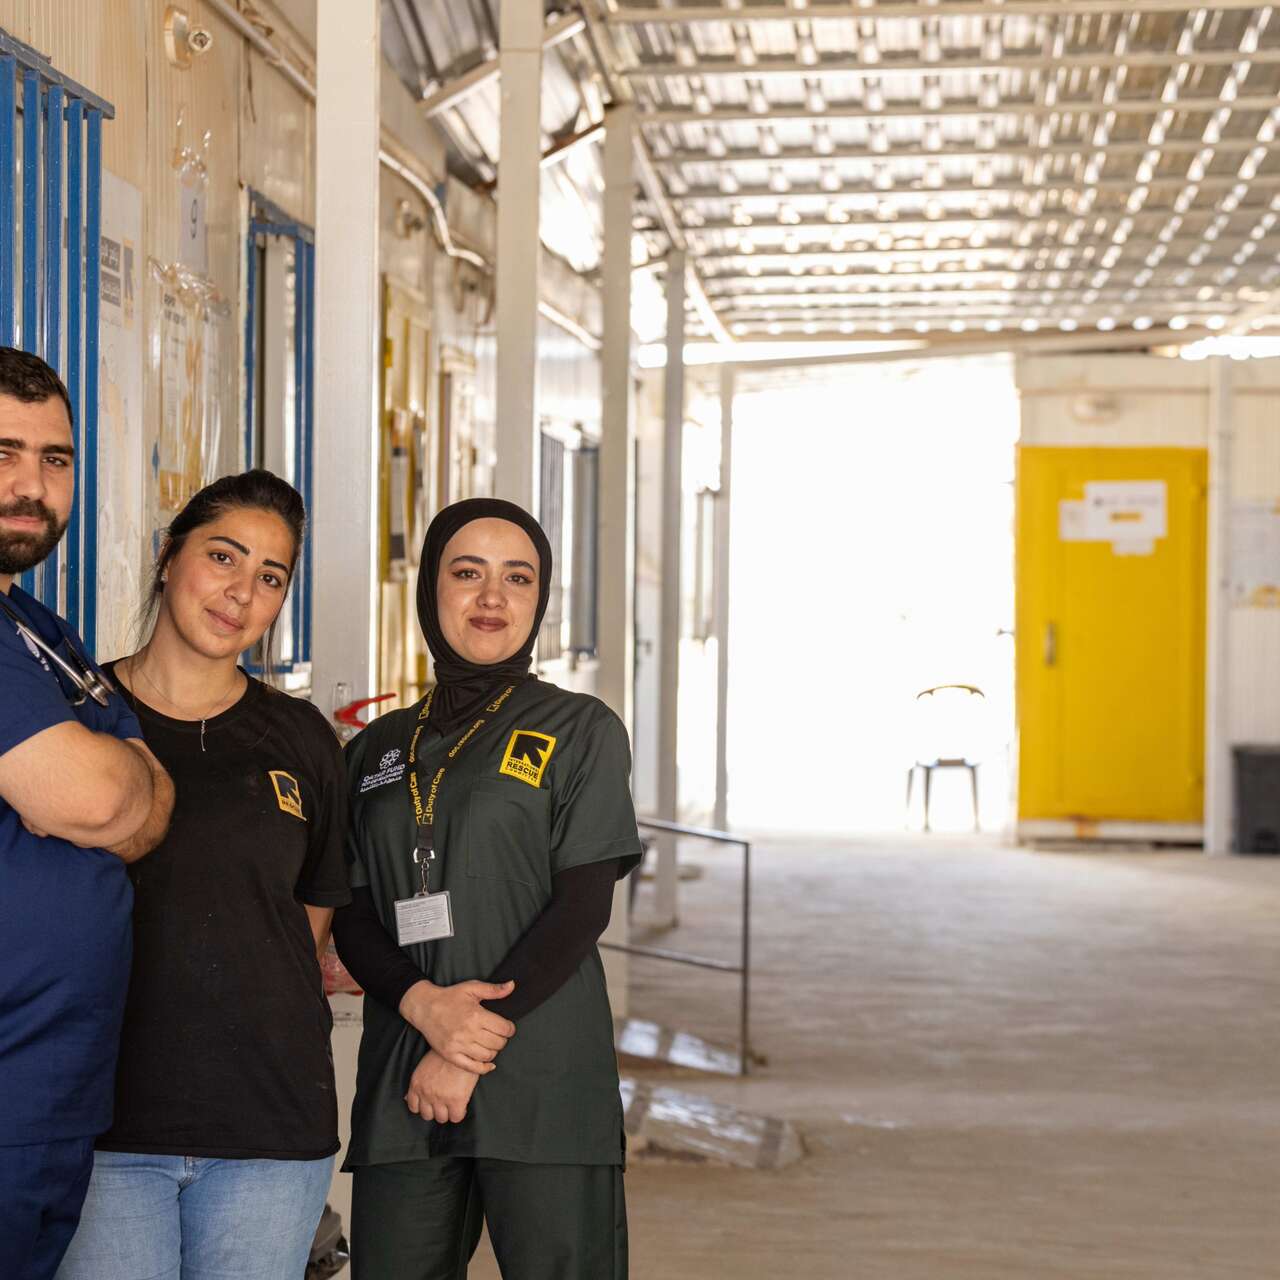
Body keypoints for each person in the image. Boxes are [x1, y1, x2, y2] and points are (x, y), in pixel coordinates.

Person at [333, 497, 642, 1280]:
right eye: (468, 573)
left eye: (518, 577)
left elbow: (582, 908)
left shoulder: (581, 730)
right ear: (429, 588)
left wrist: (468, 1045)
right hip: (406, 1070)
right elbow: (354, 911)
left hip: (542, 1080)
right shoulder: (376, 747)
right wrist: (425, 1008)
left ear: (540, 598)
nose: (493, 597)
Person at [56, 471, 351, 1280]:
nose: (242, 592)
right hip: (102, 1126)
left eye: (270, 577)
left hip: (268, 1127)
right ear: (167, 556)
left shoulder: (302, 739)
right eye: (223, 556)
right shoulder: (74, 722)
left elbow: (307, 917)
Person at [0, 347, 174, 1280]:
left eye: (54, 459)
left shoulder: (42, 632)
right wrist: (111, 783)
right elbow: (106, 797)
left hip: (48, 1096)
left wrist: (115, 788)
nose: (31, 486)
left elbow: (148, 807)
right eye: (3, 454)